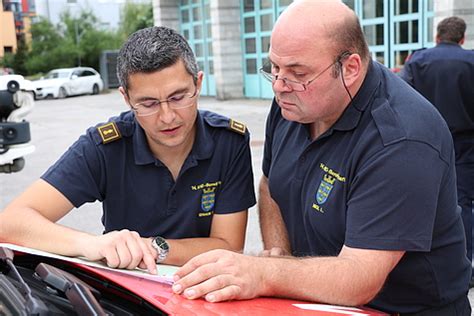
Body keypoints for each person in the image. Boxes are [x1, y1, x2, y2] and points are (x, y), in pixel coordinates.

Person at [171, 1, 471, 314]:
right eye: (274, 67)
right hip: (317, 301)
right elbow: (271, 185)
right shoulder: (292, 102)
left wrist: (262, 273)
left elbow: (359, 277)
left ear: (350, 68)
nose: (278, 86)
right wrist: (279, 252)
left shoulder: (402, 139)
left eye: (297, 73)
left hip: (402, 308)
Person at [0, 26, 256, 274]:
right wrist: (93, 244)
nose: (167, 117)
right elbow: (11, 222)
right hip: (126, 292)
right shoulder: (105, 147)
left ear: (197, 84)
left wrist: (152, 248)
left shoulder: (228, 142)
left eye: (178, 97)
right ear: (126, 98)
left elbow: (229, 246)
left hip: (204, 288)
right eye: (148, 103)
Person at [400, 16, 474, 275]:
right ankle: (462, 265)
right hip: (465, 142)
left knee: (422, 196)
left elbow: (402, 98)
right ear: (462, 38)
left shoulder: (418, 60)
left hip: (425, 140)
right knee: (462, 200)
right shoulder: (472, 61)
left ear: (437, 37)